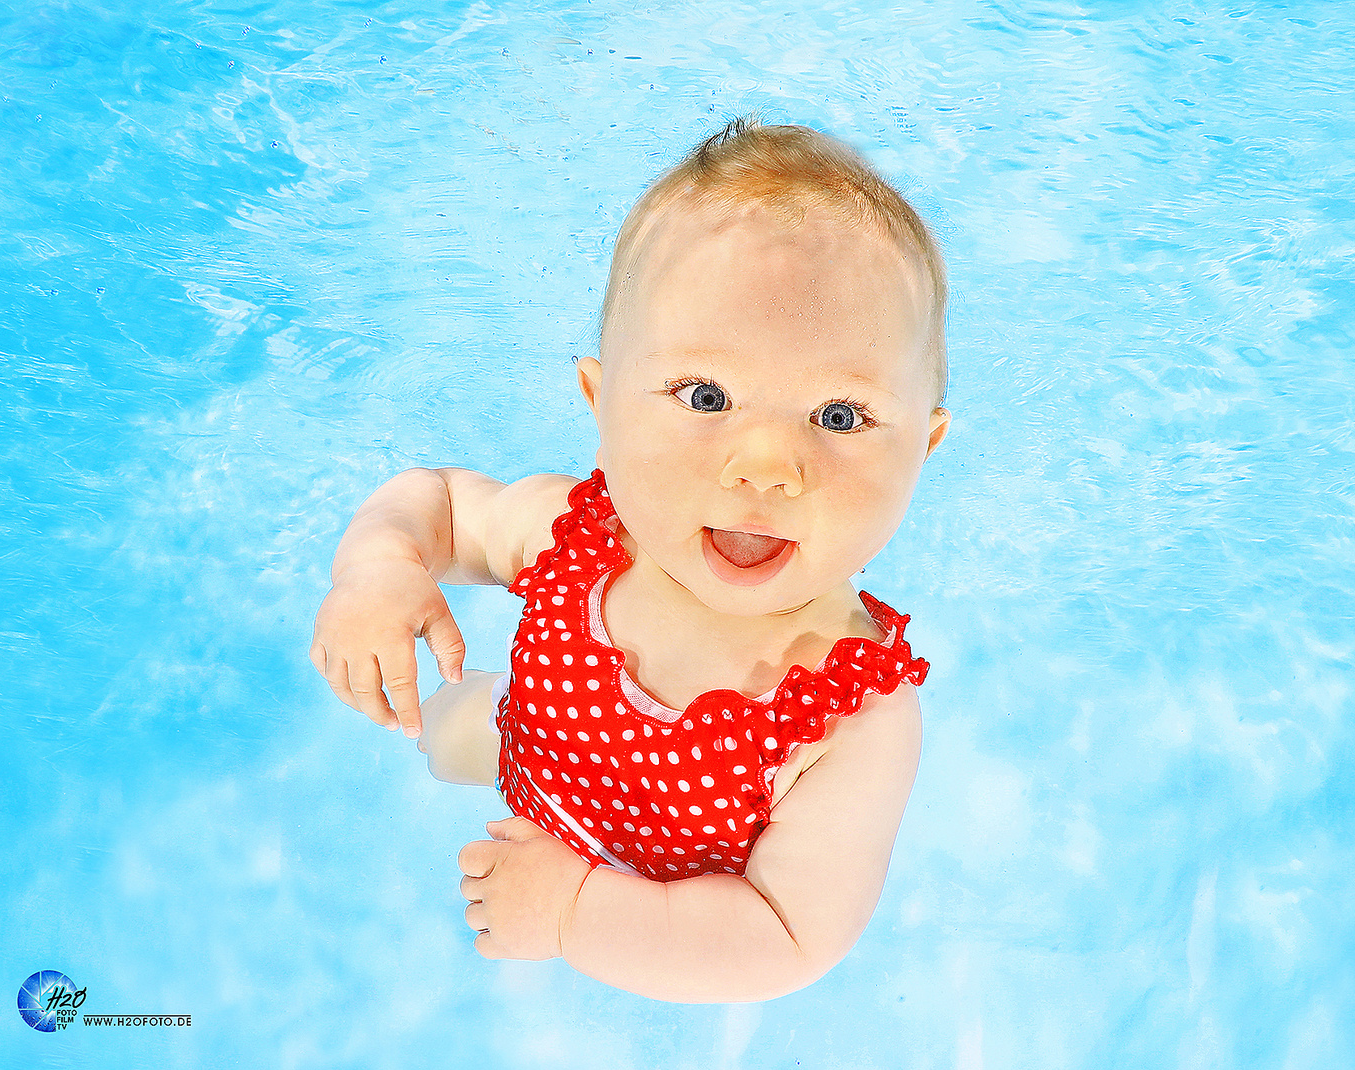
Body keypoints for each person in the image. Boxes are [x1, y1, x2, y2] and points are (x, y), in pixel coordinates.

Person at [309, 117, 951, 1003]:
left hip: (655, 912)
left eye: (840, 416)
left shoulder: (852, 717)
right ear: (597, 403)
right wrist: (377, 567)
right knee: (448, 733)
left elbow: (788, 936)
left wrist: (576, 916)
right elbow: (443, 503)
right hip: (528, 747)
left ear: (925, 448)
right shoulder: (574, 536)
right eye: (705, 396)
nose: (764, 468)